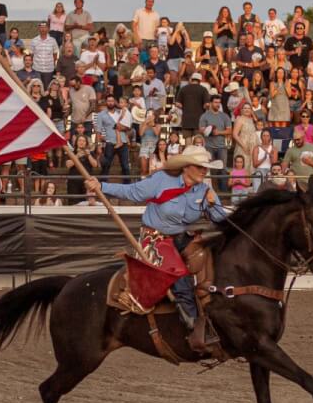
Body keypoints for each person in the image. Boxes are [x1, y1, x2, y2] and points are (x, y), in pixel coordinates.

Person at [85, 145, 229, 354]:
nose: (205, 171)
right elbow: (132, 192)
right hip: (156, 237)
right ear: (186, 167)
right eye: (201, 167)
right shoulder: (161, 180)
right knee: (178, 275)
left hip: (184, 237)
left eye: (206, 167)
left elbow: (221, 219)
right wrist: (101, 186)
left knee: (213, 264)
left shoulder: (205, 190)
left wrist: (214, 205)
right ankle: (194, 328)